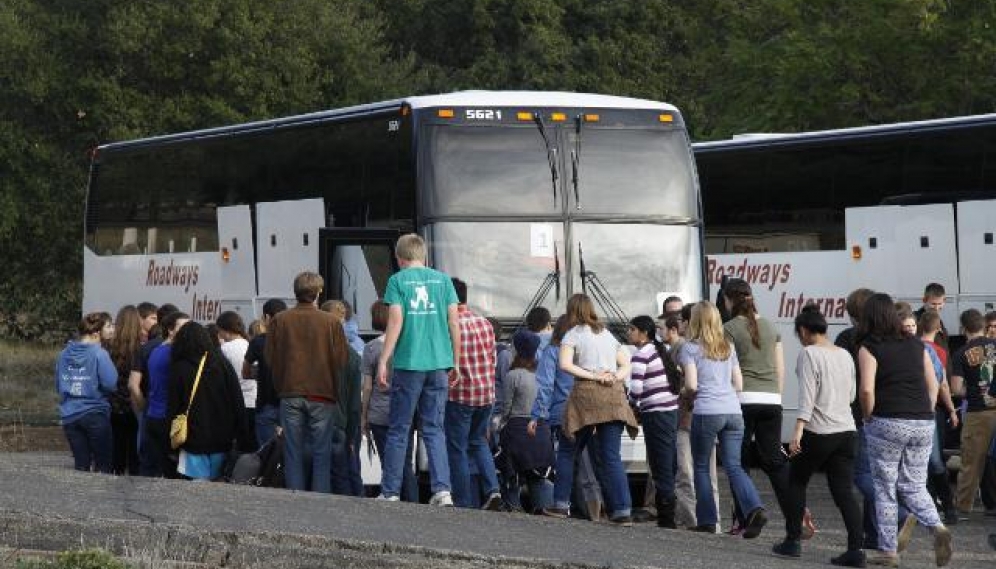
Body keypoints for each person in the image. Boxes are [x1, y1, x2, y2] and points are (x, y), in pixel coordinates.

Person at [857, 293, 951, 567]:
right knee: (914, 484)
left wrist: (868, 417)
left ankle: (888, 551)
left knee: (885, 487)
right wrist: (926, 411)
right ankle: (937, 526)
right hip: (922, 420)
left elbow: (866, 390)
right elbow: (934, 383)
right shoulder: (916, 345)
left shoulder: (869, 346)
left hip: (887, 421)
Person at [771, 305, 864, 567]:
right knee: (844, 491)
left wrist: (797, 432)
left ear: (803, 330)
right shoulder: (844, 354)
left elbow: (807, 397)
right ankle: (856, 549)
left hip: (819, 431)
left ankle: (793, 540)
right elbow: (852, 395)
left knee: (796, 481)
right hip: (846, 430)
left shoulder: (809, 353)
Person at [376, 233, 460, 505]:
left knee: (400, 429)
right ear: (423, 256)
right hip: (439, 362)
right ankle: (442, 490)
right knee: (434, 428)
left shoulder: (397, 281)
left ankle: (390, 491)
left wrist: (383, 359)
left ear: (400, 258)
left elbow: (395, 322)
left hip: (409, 362)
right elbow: (454, 324)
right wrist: (456, 361)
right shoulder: (444, 280)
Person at [678, 301, 768, 538]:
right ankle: (755, 507)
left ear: (695, 321)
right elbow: (739, 384)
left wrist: (684, 394)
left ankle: (707, 520)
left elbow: (691, 385)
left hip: (707, 411)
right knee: (734, 466)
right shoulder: (728, 346)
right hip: (733, 412)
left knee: (701, 466)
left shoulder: (690, 348)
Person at [266, 271, 351, 493]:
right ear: (318, 292)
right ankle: (318, 503)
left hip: (289, 392)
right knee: (322, 452)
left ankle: (296, 501)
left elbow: (270, 358)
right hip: (323, 394)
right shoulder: (331, 322)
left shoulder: (280, 320)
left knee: (293, 451)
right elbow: (341, 359)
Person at [558, 293, 638, 526]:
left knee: (567, 450)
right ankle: (622, 510)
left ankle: (561, 504)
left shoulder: (572, 334)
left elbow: (565, 364)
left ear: (572, 311)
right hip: (613, 396)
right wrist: (613, 377)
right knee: (611, 456)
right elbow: (627, 364)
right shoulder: (606, 333)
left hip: (586, 397)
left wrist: (593, 375)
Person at [721, 278, 792, 534]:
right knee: (774, 461)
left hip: (742, 400)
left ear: (729, 300)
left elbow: (728, 368)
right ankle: (793, 516)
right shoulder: (772, 328)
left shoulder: (728, 328)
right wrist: (777, 397)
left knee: (739, 462)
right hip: (772, 400)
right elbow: (780, 368)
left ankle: (745, 518)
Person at [168, 322, 254, 480]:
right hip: (222, 437)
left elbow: (173, 405)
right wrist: (242, 434)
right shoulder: (221, 363)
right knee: (217, 482)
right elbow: (237, 400)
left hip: (192, 439)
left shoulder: (179, 368)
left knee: (197, 485)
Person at [446, 278, 501, 510]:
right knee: (479, 442)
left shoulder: (448, 324)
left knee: (457, 448)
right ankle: (493, 489)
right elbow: (493, 359)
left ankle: (463, 500)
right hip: (486, 395)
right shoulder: (485, 324)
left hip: (460, 395)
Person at [362, 301, 419, 502]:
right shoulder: (409, 346)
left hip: (379, 413)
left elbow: (368, 387)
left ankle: (393, 498)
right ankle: (413, 503)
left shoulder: (371, 349)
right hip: (406, 411)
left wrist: (364, 416)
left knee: (389, 463)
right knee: (405, 463)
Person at [628, 315, 681, 529]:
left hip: (655, 414)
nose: (628, 333)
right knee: (668, 460)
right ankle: (668, 513)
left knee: (660, 465)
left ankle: (667, 519)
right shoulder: (660, 351)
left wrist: (630, 404)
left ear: (643, 333)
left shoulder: (641, 355)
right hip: (670, 412)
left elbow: (636, 391)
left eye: (631, 330)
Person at [835, 287, 878, 549]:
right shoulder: (888, 337)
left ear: (852, 314)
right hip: (888, 412)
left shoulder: (847, 338)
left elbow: (842, 379)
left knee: (862, 475)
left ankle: (899, 513)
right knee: (877, 474)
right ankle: (872, 533)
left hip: (858, 414)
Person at [500, 330, 554, 513]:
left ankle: (513, 505)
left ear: (517, 350)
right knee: (538, 476)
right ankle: (544, 506)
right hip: (542, 431)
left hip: (517, 430)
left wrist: (497, 426)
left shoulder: (513, 376)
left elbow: (506, 409)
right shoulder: (543, 375)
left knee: (509, 470)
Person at [56, 312, 118, 473]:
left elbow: (59, 384)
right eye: (109, 326)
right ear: (97, 333)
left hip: (70, 414)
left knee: (81, 466)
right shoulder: (99, 353)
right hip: (95, 412)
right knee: (103, 465)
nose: (112, 330)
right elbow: (111, 383)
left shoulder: (63, 354)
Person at [950, 308, 996, 516]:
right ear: (984, 326)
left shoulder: (961, 353)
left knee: (971, 461)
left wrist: (974, 390)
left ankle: (963, 507)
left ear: (963, 328)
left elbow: (956, 388)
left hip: (978, 412)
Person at [916, 309, 960, 524]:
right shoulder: (938, 351)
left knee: (927, 461)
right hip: (930, 412)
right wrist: (951, 409)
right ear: (938, 328)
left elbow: (941, 383)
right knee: (933, 461)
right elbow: (943, 383)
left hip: (922, 412)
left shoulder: (925, 350)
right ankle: (943, 505)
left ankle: (938, 504)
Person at [140, 311, 190, 477]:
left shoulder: (156, 350)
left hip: (153, 414)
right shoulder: (173, 354)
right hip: (166, 418)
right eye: (183, 327)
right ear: (170, 330)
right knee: (171, 471)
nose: (188, 331)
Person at [243, 299, 287, 447]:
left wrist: (259, 374)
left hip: (266, 404)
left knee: (266, 453)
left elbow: (245, 371)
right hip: (291, 404)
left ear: (267, 318)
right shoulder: (296, 339)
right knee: (291, 453)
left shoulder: (258, 342)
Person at [108, 305, 141, 475]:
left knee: (116, 445)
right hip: (133, 404)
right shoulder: (140, 350)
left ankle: (116, 472)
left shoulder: (109, 349)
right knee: (134, 446)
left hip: (113, 404)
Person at [217, 311, 257, 450]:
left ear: (225, 330)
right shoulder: (249, 344)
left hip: (237, 403)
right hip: (254, 400)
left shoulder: (224, 349)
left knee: (240, 446)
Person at [913, 283, 948, 351]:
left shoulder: (939, 320)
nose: (936, 308)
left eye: (939, 304)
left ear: (944, 302)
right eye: (933, 304)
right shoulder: (915, 320)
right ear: (924, 300)